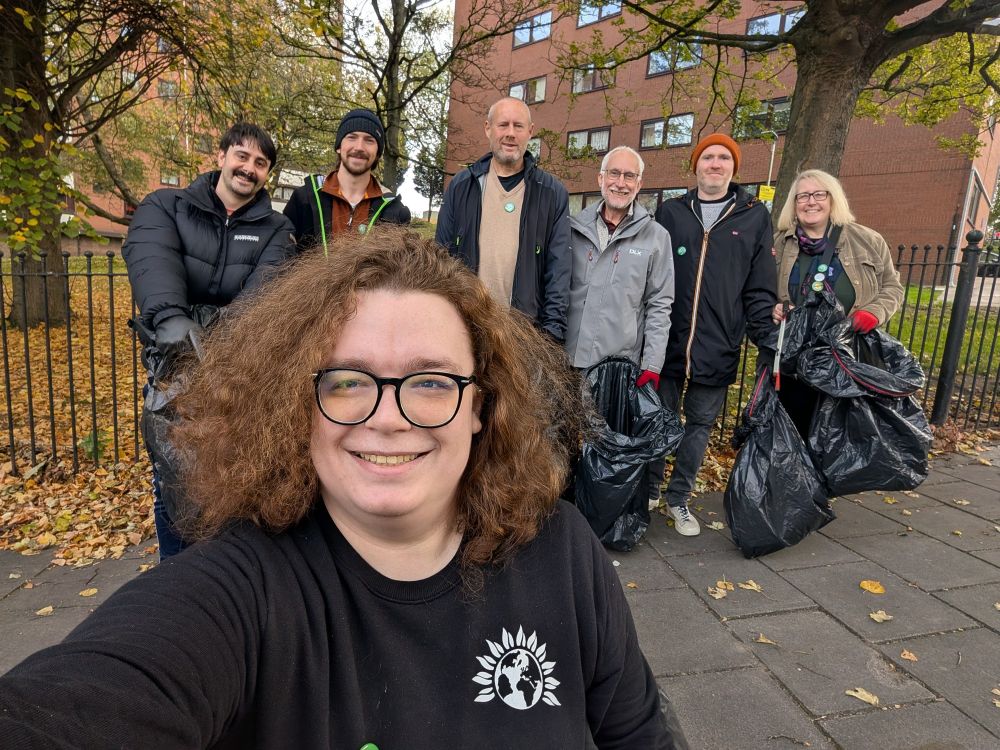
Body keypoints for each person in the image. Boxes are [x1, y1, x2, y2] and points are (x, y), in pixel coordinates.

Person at [0, 229, 687, 750]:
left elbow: (640, 735)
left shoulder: (560, 551)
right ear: (299, 404)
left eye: (429, 381)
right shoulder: (240, 594)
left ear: (481, 405)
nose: (387, 418)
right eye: (349, 381)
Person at [123, 121, 294, 559]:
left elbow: (264, 297)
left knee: (235, 485)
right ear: (221, 157)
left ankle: (227, 577)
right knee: (174, 482)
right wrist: (172, 318)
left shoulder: (275, 228)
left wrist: (210, 334)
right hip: (174, 370)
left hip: (238, 378)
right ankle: (177, 573)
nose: (249, 168)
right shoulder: (167, 206)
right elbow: (152, 256)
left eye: (260, 163)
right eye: (242, 155)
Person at [648, 134, 778, 537]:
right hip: (667, 339)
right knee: (657, 419)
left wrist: (766, 338)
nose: (715, 164)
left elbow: (760, 287)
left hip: (718, 342)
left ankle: (678, 498)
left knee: (699, 425)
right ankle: (648, 490)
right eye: (708, 157)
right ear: (696, 165)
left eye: (724, 157)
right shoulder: (670, 212)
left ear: (733, 167)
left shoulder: (754, 217)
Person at [771, 168, 904, 436]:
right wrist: (773, 306)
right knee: (796, 433)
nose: (811, 202)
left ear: (833, 199)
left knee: (843, 436)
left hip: (849, 357)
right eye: (802, 196)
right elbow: (763, 289)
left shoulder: (867, 240)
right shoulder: (780, 243)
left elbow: (893, 286)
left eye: (819, 194)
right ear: (793, 204)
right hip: (798, 360)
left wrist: (873, 314)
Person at [435, 96, 571, 343]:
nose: (510, 133)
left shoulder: (551, 193)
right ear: (488, 128)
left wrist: (550, 336)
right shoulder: (462, 186)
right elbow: (440, 259)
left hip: (524, 335)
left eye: (518, 126)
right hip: (467, 330)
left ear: (530, 132)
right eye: (503, 125)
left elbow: (558, 272)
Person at [565, 145, 674, 385]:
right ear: (601, 178)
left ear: (639, 184)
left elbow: (659, 304)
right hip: (566, 364)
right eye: (614, 173)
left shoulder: (656, 237)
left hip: (617, 370)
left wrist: (652, 364)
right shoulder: (573, 228)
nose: (620, 183)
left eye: (629, 176)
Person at [282, 108, 411, 252]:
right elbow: (281, 259)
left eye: (369, 140)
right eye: (352, 137)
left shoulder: (395, 212)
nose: (359, 147)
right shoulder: (304, 199)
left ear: (378, 153)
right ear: (339, 146)